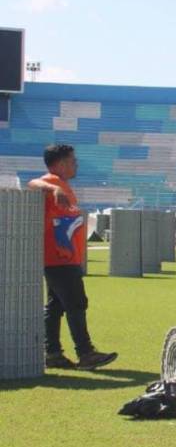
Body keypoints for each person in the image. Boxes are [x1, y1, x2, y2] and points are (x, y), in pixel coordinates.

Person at [27, 144, 117, 370]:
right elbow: (32, 183)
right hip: (59, 257)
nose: (76, 164)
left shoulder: (64, 186)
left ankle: (53, 354)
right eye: (72, 160)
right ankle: (85, 353)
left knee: (56, 306)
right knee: (76, 303)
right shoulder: (52, 184)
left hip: (64, 257)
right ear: (60, 164)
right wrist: (52, 188)